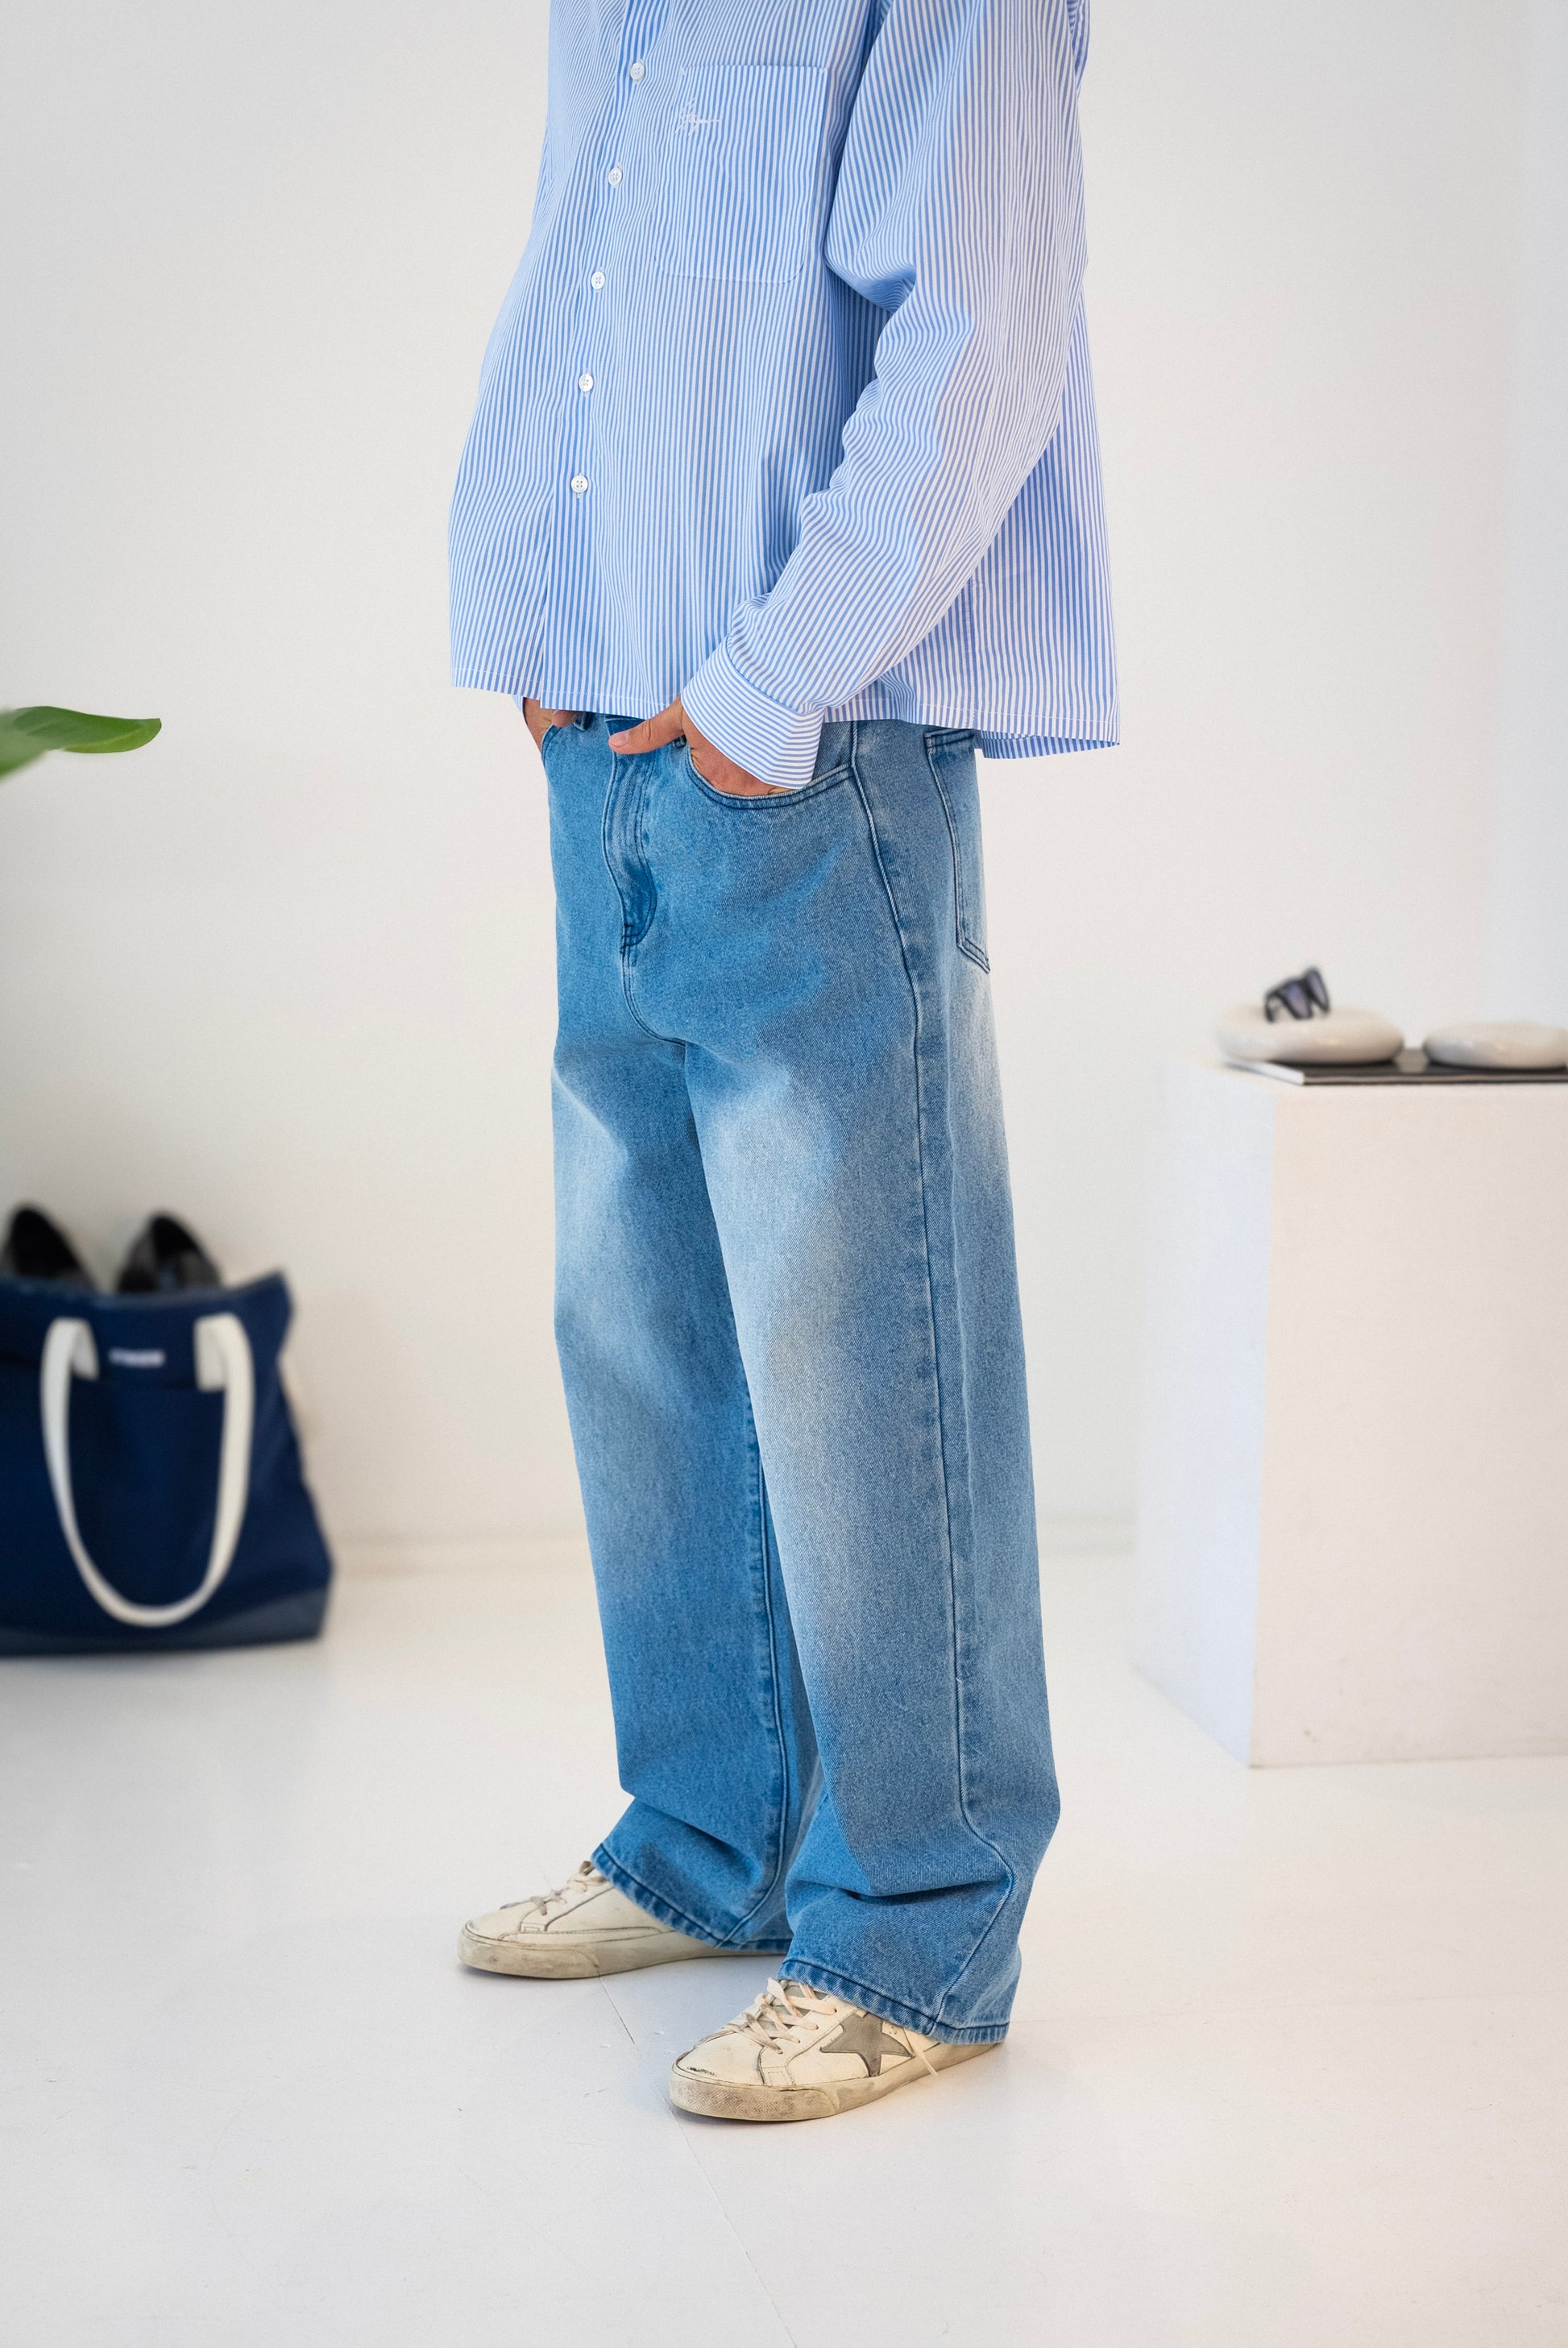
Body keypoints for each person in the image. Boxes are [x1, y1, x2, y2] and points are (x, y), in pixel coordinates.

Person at [448, 0, 1115, 2125]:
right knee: (641, 1317)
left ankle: (913, 1931)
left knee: (861, 1341)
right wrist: (532, 622)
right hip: (611, 709)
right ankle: (705, 1833)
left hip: (802, 732)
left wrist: (768, 683)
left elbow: (980, 331)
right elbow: (590, 268)